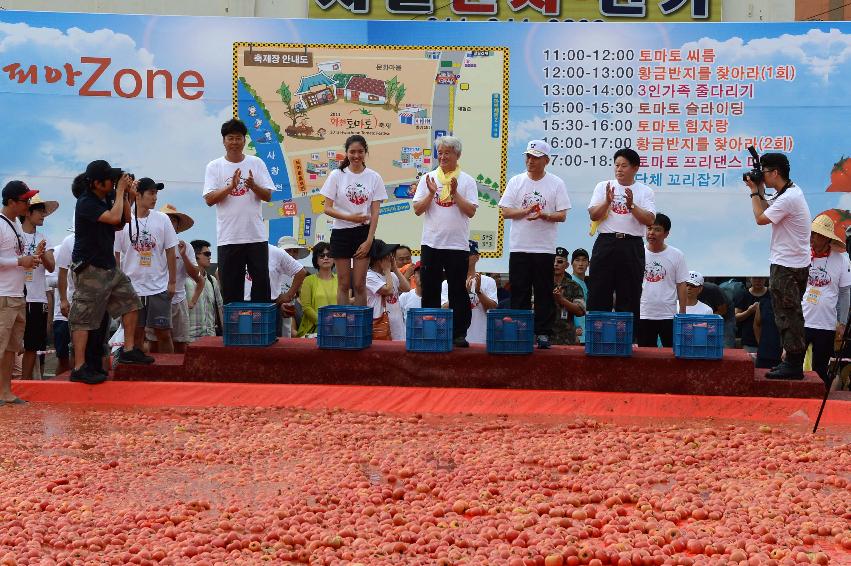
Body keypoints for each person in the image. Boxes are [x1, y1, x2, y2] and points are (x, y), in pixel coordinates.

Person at [70, 160, 153, 384]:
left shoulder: (106, 197)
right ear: (97, 183)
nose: (114, 182)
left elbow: (123, 221)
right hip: (89, 266)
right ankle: (79, 367)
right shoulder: (86, 202)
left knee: (132, 303)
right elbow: (114, 218)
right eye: (110, 179)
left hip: (107, 265)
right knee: (84, 319)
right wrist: (120, 193)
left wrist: (126, 196)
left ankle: (127, 350)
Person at [499, 140, 571, 349]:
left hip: (543, 248)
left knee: (543, 291)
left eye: (536, 157)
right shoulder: (516, 181)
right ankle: (519, 331)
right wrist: (526, 211)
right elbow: (505, 211)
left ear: (546, 161)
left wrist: (544, 215)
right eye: (528, 156)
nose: (530, 161)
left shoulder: (556, 183)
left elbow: (562, 215)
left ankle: (543, 333)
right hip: (519, 246)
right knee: (519, 290)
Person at [745, 152, 812, 379]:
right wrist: (760, 192)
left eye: (764, 172)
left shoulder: (788, 198)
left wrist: (754, 191)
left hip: (787, 265)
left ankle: (793, 364)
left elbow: (760, 218)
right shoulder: (789, 192)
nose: (762, 176)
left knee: (788, 315)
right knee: (787, 313)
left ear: (775, 172)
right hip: (792, 262)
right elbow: (766, 209)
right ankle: (791, 361)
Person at [413, 136, 478, 347]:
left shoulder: (467, 180)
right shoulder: (429, 178)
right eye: (439, 153)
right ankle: (430, 330)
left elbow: (470, 212)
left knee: (457, 289)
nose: (442, 156)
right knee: (430, 288)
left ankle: (459, 333)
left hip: (457, 245)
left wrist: (456, 193)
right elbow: (417, 210)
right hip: (431, 243)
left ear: (457, 155)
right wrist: (431, 194)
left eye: (447, 153)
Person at [203, 118, 274, 304]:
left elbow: (268, 195)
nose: (234, 142)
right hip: (229, 237)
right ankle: (234, 332)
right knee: (231, 290)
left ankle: (260, 331)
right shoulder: (214, 166)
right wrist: (230, 187)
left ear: (244, 140)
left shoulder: (256, 163)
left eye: (238, 138)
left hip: (255, 237)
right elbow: (209, 199)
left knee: (261, 287)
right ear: (223, 141)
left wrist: (253, 186)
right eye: (230, 138)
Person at [586, 148, 656, 322]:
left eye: (624, 166)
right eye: (617, 165)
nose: (619, 169)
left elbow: (649, 219)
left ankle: (626, 338)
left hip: (631, 245)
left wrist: (632, 205)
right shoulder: (603, 186)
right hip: (606, 242)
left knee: (629, 292)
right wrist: (607, 202)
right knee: (599, 290)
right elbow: (594, 214)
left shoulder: (644, 191)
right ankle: (598, 335)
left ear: (635, 168)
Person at [321, 135, 388, 306]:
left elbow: (375, 212)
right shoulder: (337, 175)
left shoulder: (374, 177)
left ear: (366, 152)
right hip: (340, 233)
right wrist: (350, 217)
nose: (356, 156)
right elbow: (327, 208)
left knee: (359, 284)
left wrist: (369, 240)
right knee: (343, 284)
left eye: (360, 152)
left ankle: (360, 326)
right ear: (346, 153)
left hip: (363, 234)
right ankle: (343, 322)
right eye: (352, 152)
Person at [114, 177, 178, 354]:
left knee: (163, 333)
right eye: (151, 193)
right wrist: (118, 285)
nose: (155, 197)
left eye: (156, 193)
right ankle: (138, 374)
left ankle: (168, 374)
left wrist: (172, 282)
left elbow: (171, 251)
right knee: (136, 334)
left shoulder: (163, 219)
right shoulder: (124, 221)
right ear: (138, 195)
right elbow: (116, 255)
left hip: (159, 286)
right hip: (132, 288)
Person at [791, 212, 851, 384]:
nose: (812, 238)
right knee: (794, 366)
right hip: (802, 320)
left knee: (820, 370)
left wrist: (843, 322)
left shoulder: (841, 260)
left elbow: (845, 293)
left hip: (826, 324)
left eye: (817, 235)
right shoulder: (802, 254)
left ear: (826, 238)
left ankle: (817, 404)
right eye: (812, 233)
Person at [0, 181, 42, 403]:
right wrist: (19, 261)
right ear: (11, 202)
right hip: (3, 295)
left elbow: (17, 258)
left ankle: (5, 392)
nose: (28, 203)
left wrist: (30, 260)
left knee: (10, 349)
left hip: (17, 294)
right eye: (25, 200)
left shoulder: (15, 224)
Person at [146, 204, 200, 353]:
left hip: (178, 299)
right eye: (166, 220)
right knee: (154, 342)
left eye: (173, 221)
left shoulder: (186, 247)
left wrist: (183, 255)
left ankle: (178, 375)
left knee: (181, 343)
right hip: (155, 298)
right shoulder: (149, 245)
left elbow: (196, 275)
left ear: (177, 226)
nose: (169, 223)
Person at [19, 195, 58, 379]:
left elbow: (51, 266)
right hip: (16, 295)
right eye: (39, 211)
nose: (43, 215)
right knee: (10, 344)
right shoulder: (16, 234)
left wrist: (41, 254)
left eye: (44, 211)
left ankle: (25, 384)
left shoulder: (44, 238)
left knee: (32, 345)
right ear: (27, 212)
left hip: (37, 298)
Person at [637, 213, 688, 347]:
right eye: (649, 228)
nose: (651, 233)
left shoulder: (677, 255)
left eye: (657, 229)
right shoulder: (638, 253)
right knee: (646, 356)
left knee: (672, 355)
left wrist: (682, 314)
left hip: (668, 315)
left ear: (666, 234)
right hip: (644, 313)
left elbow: (682, 285)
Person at [245, 239, 307, 338]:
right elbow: (220, 272)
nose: (291, 254)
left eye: (295, 251)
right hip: (243, 307)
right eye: (289, 250)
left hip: (270, 309)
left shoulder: (276, 254)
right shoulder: (239, 249)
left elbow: (301, 272)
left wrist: (287, 297)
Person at [441, 240, 498, 345]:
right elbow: (444, 310)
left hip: (481, 338)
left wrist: (478, 292)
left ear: (477, 257)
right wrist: (461, 292)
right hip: (455, 340)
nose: (464, 257)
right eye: (462, 254)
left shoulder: (488, 281)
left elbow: (492, 311)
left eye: (468, 254)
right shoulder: (447, 283)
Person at [366, 239, 410, 341]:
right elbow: (388, 290)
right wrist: (387, 270)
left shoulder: (391, 275)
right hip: (381, 325)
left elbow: (406, 288)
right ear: (378, 259)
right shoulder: (369, 276)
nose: (390, 258)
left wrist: (394, 269)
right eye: (387, 255)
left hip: (397, 326)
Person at [297, 241, 337, 337]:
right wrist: (323, 323)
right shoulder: (308, 280)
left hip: (337, 328)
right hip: (313, 330)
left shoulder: (341, 280)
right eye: (322, 256)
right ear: (316, 260)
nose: (326, 258)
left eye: (329, 255)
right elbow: (306, 307)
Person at [186, 240, 223, 341]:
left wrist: (224, 334)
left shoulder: (212, 280)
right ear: (195, 255)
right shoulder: (184, 281)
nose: (210, 257)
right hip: (190, 339)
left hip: (211, 339)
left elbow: (220, 308)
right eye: (207, 254)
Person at [551, 247, 586, 345]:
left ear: (566, 265)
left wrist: (562, 300)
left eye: (560, 261)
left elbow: (580, 311)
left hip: (567, 339)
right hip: (545, 339)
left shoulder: (573, 286)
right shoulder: (543, 285)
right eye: (553, 261)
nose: (555, 264)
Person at [735, 276, 769, 354]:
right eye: (755, 278)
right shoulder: (743, 294)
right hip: (749, 339)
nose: (758, 281)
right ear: (750, 279)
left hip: (769, 337)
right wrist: (749, 311)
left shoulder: (771, 294)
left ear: (765, 279)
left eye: (760, 278)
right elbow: (736, 317)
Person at [570, 248, 589, 343]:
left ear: (588, 264)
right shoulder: (569, 282)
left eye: (584, 260)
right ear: (571, 263)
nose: (581, 264)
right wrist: (574, 331)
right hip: (577, 335)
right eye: (577, 260)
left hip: (586, 334)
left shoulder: (585, 283)